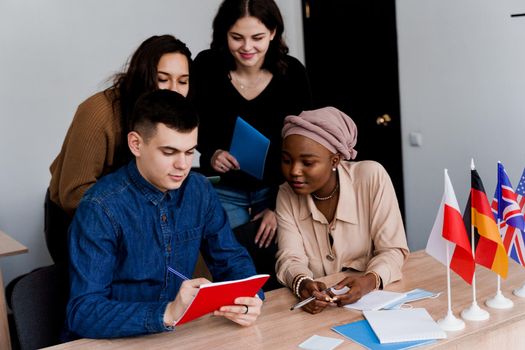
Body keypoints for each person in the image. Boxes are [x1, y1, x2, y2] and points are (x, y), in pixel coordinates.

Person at [65, 90, 263, 339]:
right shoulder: (99, 207)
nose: (183, 165)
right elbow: (83, 313)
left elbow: (232, 261)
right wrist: (168, 312)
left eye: (190, 152)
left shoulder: (199, 190)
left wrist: (249, 298)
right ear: (136, 144)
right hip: (113, 341)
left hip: (179, 336)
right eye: (169, 152)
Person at [46, 34, 192, 266]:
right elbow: (73, 193)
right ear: (143, 76)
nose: (173, 90)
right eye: (163, 79)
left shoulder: (174, 116)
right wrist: (136, 216)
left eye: (183, 81)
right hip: (80, 218)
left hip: (138, 219)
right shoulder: (99, 112)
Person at [190, 0, 313, 249]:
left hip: (279, 191)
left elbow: (305, 141)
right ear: (224, 34)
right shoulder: (206, 66)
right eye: (237, 37)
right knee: (230, 263)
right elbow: (190, 122)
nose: (247, 47)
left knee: (280, 264)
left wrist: (279, 205)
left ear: (273, 32)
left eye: (257, 37)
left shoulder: (293, 74)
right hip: (223, 189)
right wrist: (213, 152)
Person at [275, 106, 409, 314]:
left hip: (375, 304)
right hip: (319, 314)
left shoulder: (371, 176)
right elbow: (290, 258)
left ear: (335, 160)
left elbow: (393, 249)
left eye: (307, 162)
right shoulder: (286, 193)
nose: (294, 171)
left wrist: (370, 281)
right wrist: (302, 283)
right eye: (286, 160)